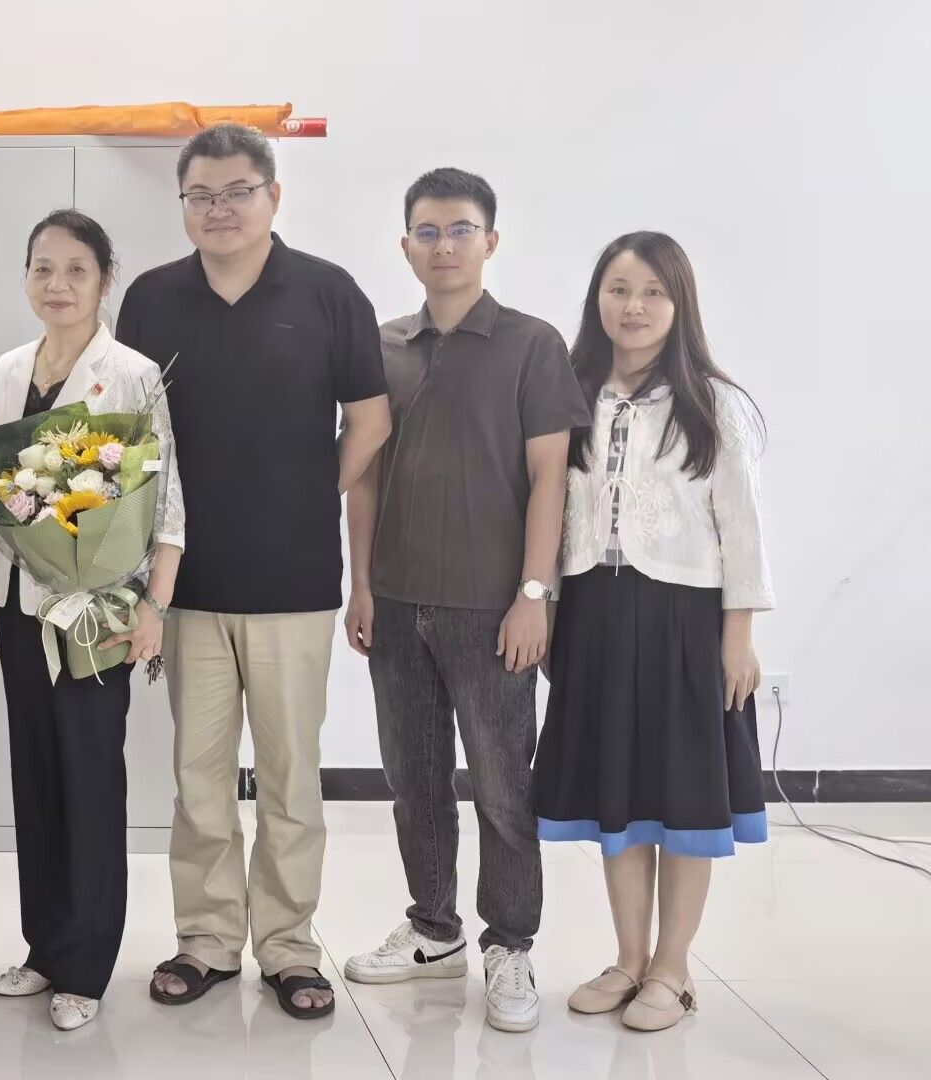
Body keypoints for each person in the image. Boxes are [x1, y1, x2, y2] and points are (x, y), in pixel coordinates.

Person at [116, 123, 392, 1020]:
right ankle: (205, 940)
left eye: (239, 191)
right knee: (199, 779)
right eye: (201, 194)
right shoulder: (152, 299)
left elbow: (371, 418)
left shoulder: (327, 291)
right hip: (185, 586)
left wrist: (312, 491)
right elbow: (129, 437)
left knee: (289, 779)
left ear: (274, 195)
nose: (220, 209)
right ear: (183, 204)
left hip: (293, 580)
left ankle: (288, 947)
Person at [339, 168, 591, 1033]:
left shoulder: (531, 344)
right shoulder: (380, 347)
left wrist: (534, 594)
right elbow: (363, 478)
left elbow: (550, 476)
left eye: (459, 229)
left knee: (501, 788)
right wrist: (361, 584)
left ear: (490, 241)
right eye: (427, 231)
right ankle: (433, 929)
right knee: (413, 783)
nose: (442, 246)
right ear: (405, 245)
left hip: (492, 610)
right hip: (396, 602)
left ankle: (510, 943)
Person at [535, 231, 774, 1032]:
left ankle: (673, 967)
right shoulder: (571, 394)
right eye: (618, 289)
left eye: (651, 292)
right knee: (620, 795)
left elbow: (743, 530)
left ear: (679, 305)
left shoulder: (712, 404)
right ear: (596, 299)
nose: (632, 307)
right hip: (593, 614)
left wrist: (737, 637)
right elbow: (551, 510)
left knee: (683, 799)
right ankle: (629, 958)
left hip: (684, 618)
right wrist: (550, 612)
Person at [0, 210, 186, 1032]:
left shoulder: (130, 374)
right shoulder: (9, 368)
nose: (56, 285)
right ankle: (46, 945)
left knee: (90, 780)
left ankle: (86, 966)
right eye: (42, 268)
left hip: (99, 612)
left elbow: (167, 505)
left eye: (76, 271)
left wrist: (155, 607)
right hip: (19, 604)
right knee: (36, 777)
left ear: (104, 280)